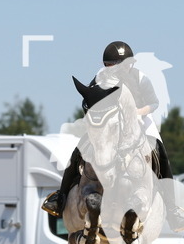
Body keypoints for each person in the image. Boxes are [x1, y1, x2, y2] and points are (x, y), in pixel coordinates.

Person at [42, 41, 176, 217]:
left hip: (140, 121)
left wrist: (137, 112)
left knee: (159, 150)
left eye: (116, 66)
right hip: (109, 124)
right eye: (109, 65)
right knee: (80, 149)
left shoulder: (140, 78)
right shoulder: (100, 78)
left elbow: (154, 103)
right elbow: (88, 100)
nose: (112, 69)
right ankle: (60, 197)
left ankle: (172, 208)